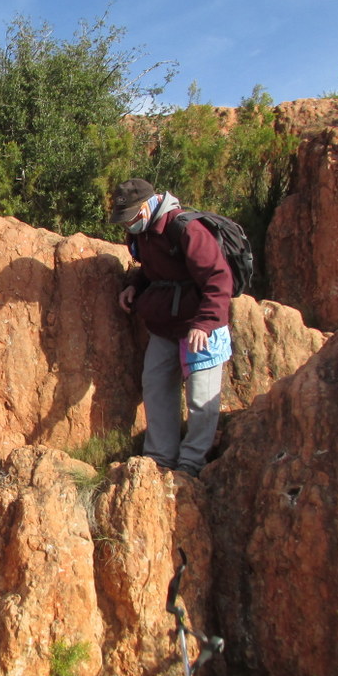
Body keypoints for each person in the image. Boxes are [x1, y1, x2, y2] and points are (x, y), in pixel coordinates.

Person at [110, 178, 234, 477]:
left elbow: (219, 279)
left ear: (147, 206)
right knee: (156, 387)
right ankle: (160, 459)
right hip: (166, 325)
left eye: (130, 219)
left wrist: (204, 324)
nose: (128, 227)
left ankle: (191, 465)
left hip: (202, 326)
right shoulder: (144, 235)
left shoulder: (186, 229)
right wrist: (135, 286)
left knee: (201, 400)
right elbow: (152, 269)